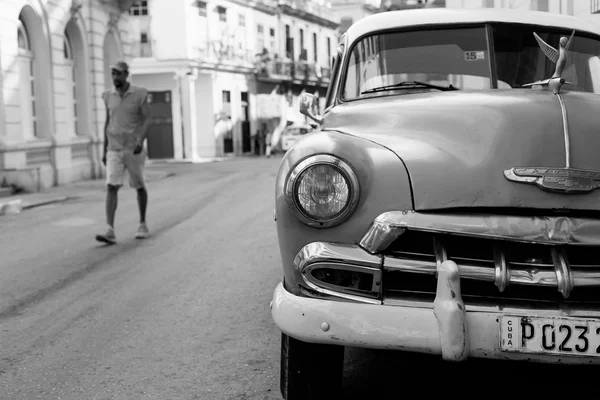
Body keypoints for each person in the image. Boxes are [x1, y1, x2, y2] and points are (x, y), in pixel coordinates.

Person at [95, 61, 151, 244]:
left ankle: (142, 223)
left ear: (126, 75)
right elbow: (107, 123)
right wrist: (104, 149)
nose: (115, 78)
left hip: (132, 149)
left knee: (139, 186)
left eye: (118, 74)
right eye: (113, 74)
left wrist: (140, 140)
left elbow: (147, 119)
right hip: (114, 148)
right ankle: (109, 229)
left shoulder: (139, 94)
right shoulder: (107, 96)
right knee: (111, 185)